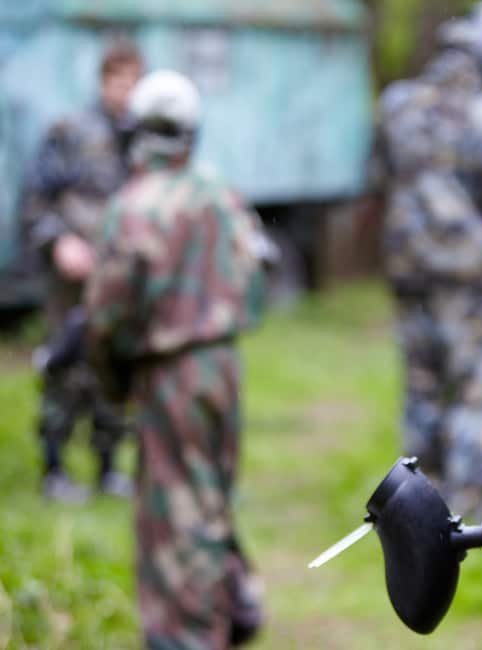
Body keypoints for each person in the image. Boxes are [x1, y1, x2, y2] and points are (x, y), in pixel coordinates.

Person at [84, 69, 268, 648]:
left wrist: (112, 382)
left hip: (167, 374)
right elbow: (258, 276)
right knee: (210, 498)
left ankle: (188, 633)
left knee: (173, 517)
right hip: (221, 367)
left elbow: (106, 315)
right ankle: (228, 604)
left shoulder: (133, 205)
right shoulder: (219, 192)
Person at [375, 3, 482, 518]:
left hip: (406, 266)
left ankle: (413, 502)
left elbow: (378, 171)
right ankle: (464, 505)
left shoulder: (397, 104)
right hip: (465, 275)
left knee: (421, 386)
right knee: (472, 389)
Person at [19, 39, 143, 502]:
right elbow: (33, 200)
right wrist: (59, 242)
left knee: (113, 369)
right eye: (116, 81)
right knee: (63, 368)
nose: (124, 91)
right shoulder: (70, 131)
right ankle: (53, 469)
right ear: (102, 82)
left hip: (117, 281)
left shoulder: (143, 139)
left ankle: (108, 468)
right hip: (71, 278)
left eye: (133, 81)